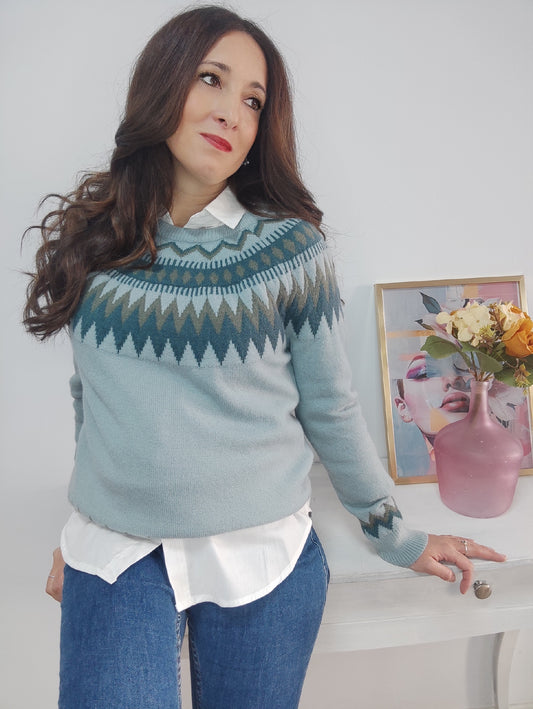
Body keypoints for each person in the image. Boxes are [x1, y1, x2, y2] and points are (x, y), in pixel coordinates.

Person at [23, 7, 505, 709]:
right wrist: (85, 526)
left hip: (263, 560)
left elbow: (329, 406)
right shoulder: (99, 241)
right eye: (210, 79)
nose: (231, 111)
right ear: (162, 85)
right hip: (117, 556)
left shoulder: (287, 252)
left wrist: (397, 536)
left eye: (253, 101)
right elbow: (91, 398)